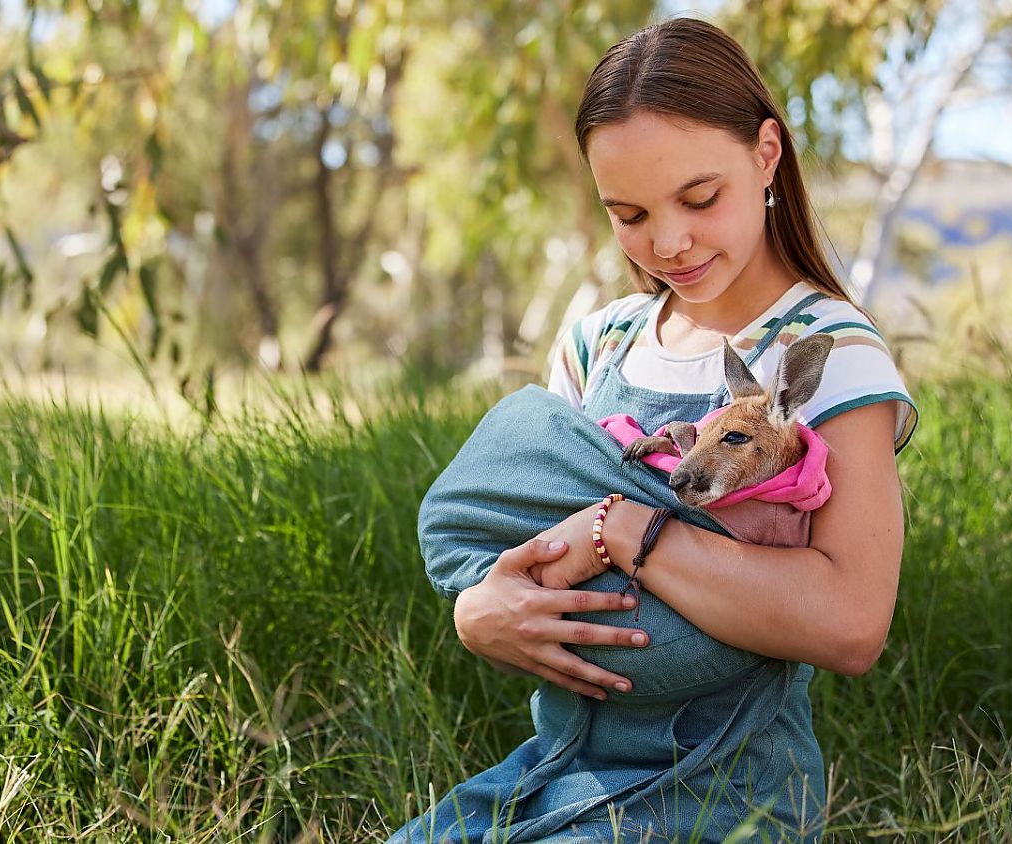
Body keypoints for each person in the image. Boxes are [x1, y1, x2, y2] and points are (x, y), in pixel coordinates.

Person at [387, 17, 918, 844]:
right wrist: (479, 609)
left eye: (699, 199)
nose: (668, 242)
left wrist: (628, 526)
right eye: (628, 213)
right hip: (560, 768)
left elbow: (851, 622)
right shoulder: (600, 342)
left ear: (766, 155)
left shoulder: (830, 351)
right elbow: (520, 519)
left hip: (728, 790)